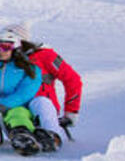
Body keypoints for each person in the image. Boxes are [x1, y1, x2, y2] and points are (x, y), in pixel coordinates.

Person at [5, 22, 82, 153]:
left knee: (41, 102)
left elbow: (72, 80)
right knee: (15, 110)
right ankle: (23, 138)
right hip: (16, 105)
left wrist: (71, 112)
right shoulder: (5, 59)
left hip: (42, 104)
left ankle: (52, 136)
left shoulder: (46, 56)